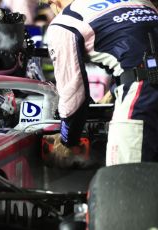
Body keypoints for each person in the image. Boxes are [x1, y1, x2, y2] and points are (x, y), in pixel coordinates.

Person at [42, 0, 158, 166]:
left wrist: (68, 139)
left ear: (54, 2)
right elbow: (140, 49)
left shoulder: (65, 21)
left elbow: (73, 95)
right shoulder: (141, 2)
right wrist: (112, 93)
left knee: (125, 183)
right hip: (145, 84)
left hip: (142, 96)